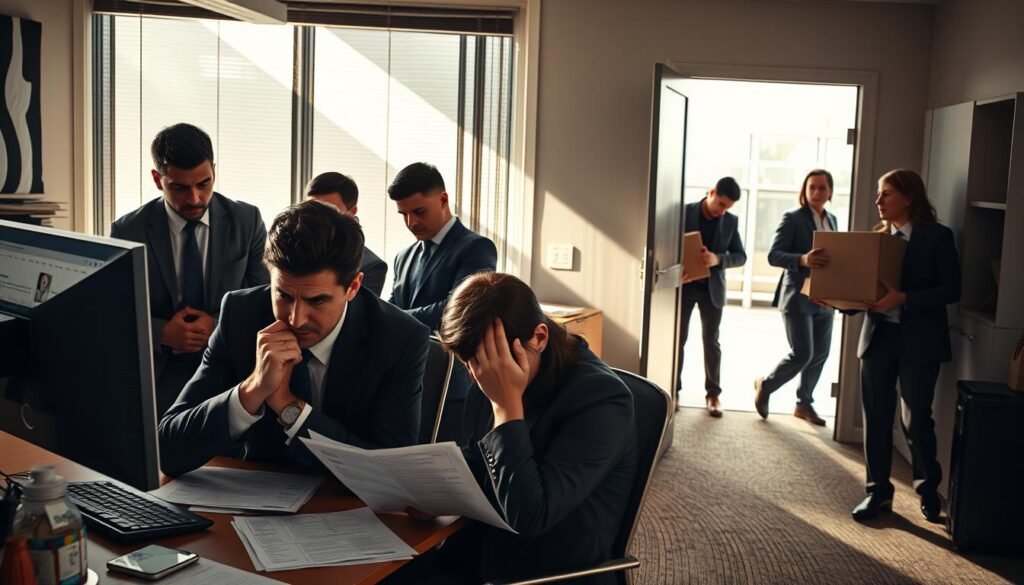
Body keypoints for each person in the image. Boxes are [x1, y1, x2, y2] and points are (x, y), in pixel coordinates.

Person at [158, 200, 430, 477]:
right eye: (284, 296)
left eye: (317, 300)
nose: (296, 318)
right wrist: (252, 389)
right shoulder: (240, 316)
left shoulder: (399, 339)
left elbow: (392, 473)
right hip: (250, 502)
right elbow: (167, 451)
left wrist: (289, 406)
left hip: (346, 507)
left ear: (353, 287)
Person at [420, 272, 638, 584]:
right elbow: (480, 460)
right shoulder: (488, 368)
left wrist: (507, 407)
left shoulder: (602, 400)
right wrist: (435, 489)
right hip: (480, 549)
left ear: (539, 337)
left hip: (546, 570)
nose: (477, 375)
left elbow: (532, 515)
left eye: (485, 361)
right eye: (469, 363)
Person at [110, 123, 269, 415]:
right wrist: (161, 332)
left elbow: (264, 297)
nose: (195, 198)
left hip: (229, 360)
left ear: (214, 172)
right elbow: (115, 310)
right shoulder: (128, 230)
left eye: (204, 184)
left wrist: (217, 326)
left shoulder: (247, 220)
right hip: (161, 365)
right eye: (179, 187)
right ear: (158, 180)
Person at [848, 169, 960, 523]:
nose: (878, 202)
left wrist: (904, 298)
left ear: (909, 198)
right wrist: (835, 297)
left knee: (915, 421)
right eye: (879, 195)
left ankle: (928, 490)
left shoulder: (938, 237)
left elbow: (951, 290)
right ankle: (877, 493)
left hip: (920, 340)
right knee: (877, 418)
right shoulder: (876, 240)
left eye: (886, 194)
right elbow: (863, 292)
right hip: (879, 339)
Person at [754, 169, 838, 426]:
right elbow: (774, 255)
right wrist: (802, 259)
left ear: (830, 191)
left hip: (825, 298)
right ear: (804, 190)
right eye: (812, 187)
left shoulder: (833, 219)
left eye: (822, 188)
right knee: (803, 353)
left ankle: (804, 404)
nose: (816, 192)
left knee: (821, 353)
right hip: (797, 297)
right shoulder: (792, 218)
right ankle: (766, 385)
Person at [387, 162, 497, 332]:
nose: (411, 223)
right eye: (404, 214)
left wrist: (392, 318)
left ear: (443, 200)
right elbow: (390, 309)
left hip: (447, 357)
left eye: (419, 212)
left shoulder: (478, 248)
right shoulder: (403, 257)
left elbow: (458, 310)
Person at [678, 177, 747, 417]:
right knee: (679, 339)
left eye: (728, 207)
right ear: (711, 192)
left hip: (712, 290)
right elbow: (666, 247)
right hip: (684, 287)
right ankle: (673, 390)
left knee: (711, 342)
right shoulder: (683, 212)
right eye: (721, 203)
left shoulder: (730, 221)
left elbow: (741, 256)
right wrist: (677, 271)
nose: (723, 210)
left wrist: (718, 259)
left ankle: (713, 394)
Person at [305, 171, 388, 297]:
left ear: (351, 212)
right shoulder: (287, 247)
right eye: (311, 209)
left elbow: (356, 314)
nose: (318, 218)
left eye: (329, 211)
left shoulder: (370, 266)